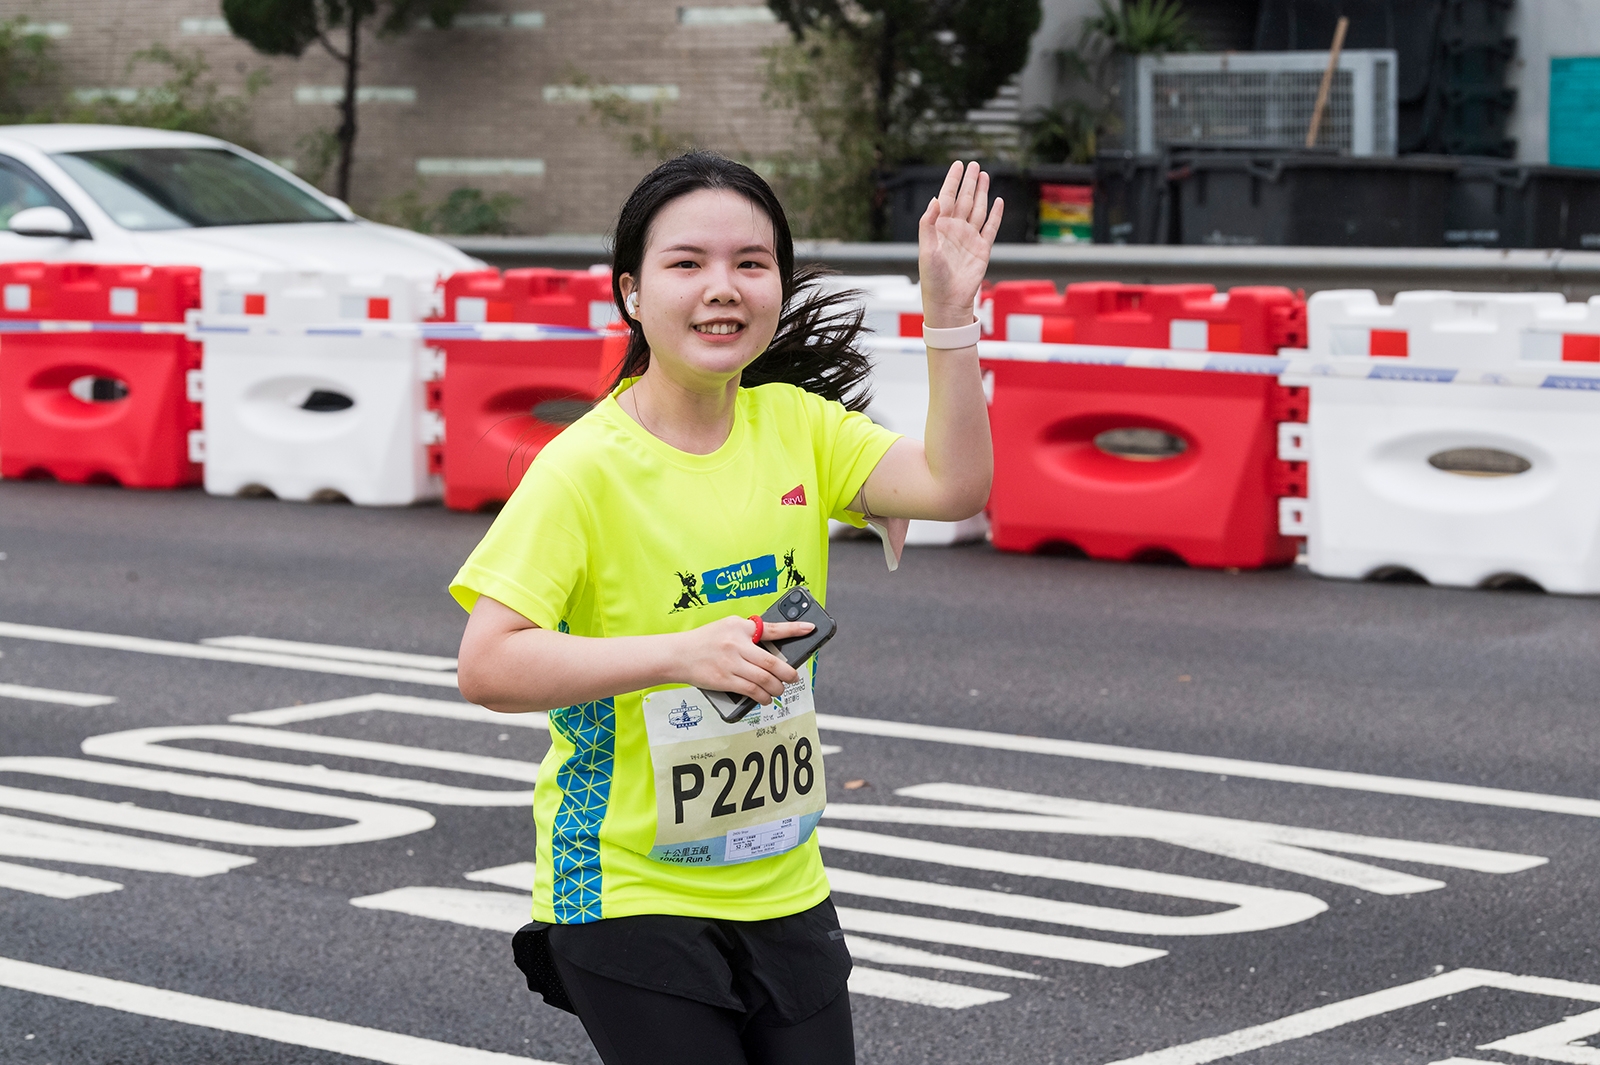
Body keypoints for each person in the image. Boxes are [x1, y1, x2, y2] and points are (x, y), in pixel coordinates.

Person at [452, 151, 999, 1065]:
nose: (724, 288)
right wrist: (676, 654)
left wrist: (949, 317)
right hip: (625, 888)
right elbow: (489, 662)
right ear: (631, 291)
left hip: (783, 877)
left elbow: (954, 485)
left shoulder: (800, 427)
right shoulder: (584, 467)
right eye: (687, 263)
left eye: (752, 263)